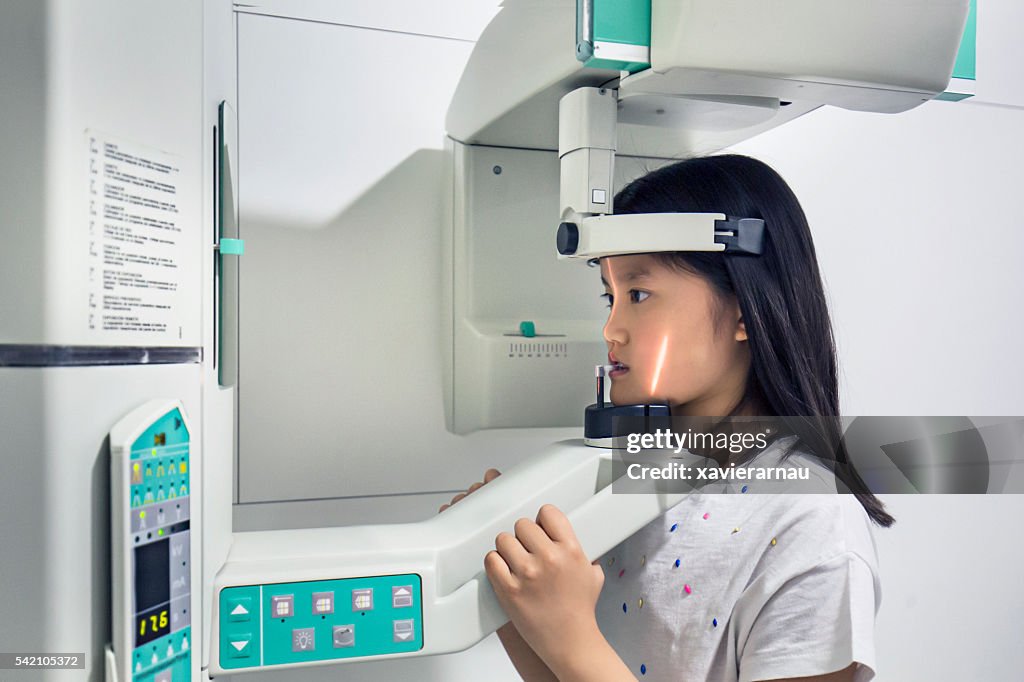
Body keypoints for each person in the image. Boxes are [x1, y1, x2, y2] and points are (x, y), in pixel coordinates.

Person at [439, 154, 892, 682]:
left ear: (745, 313)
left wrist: (570, 634)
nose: (612, 329)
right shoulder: (634, 478)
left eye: (638, 294)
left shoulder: (813, 524)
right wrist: (512, 595)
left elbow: (581, 655)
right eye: (609, 298)